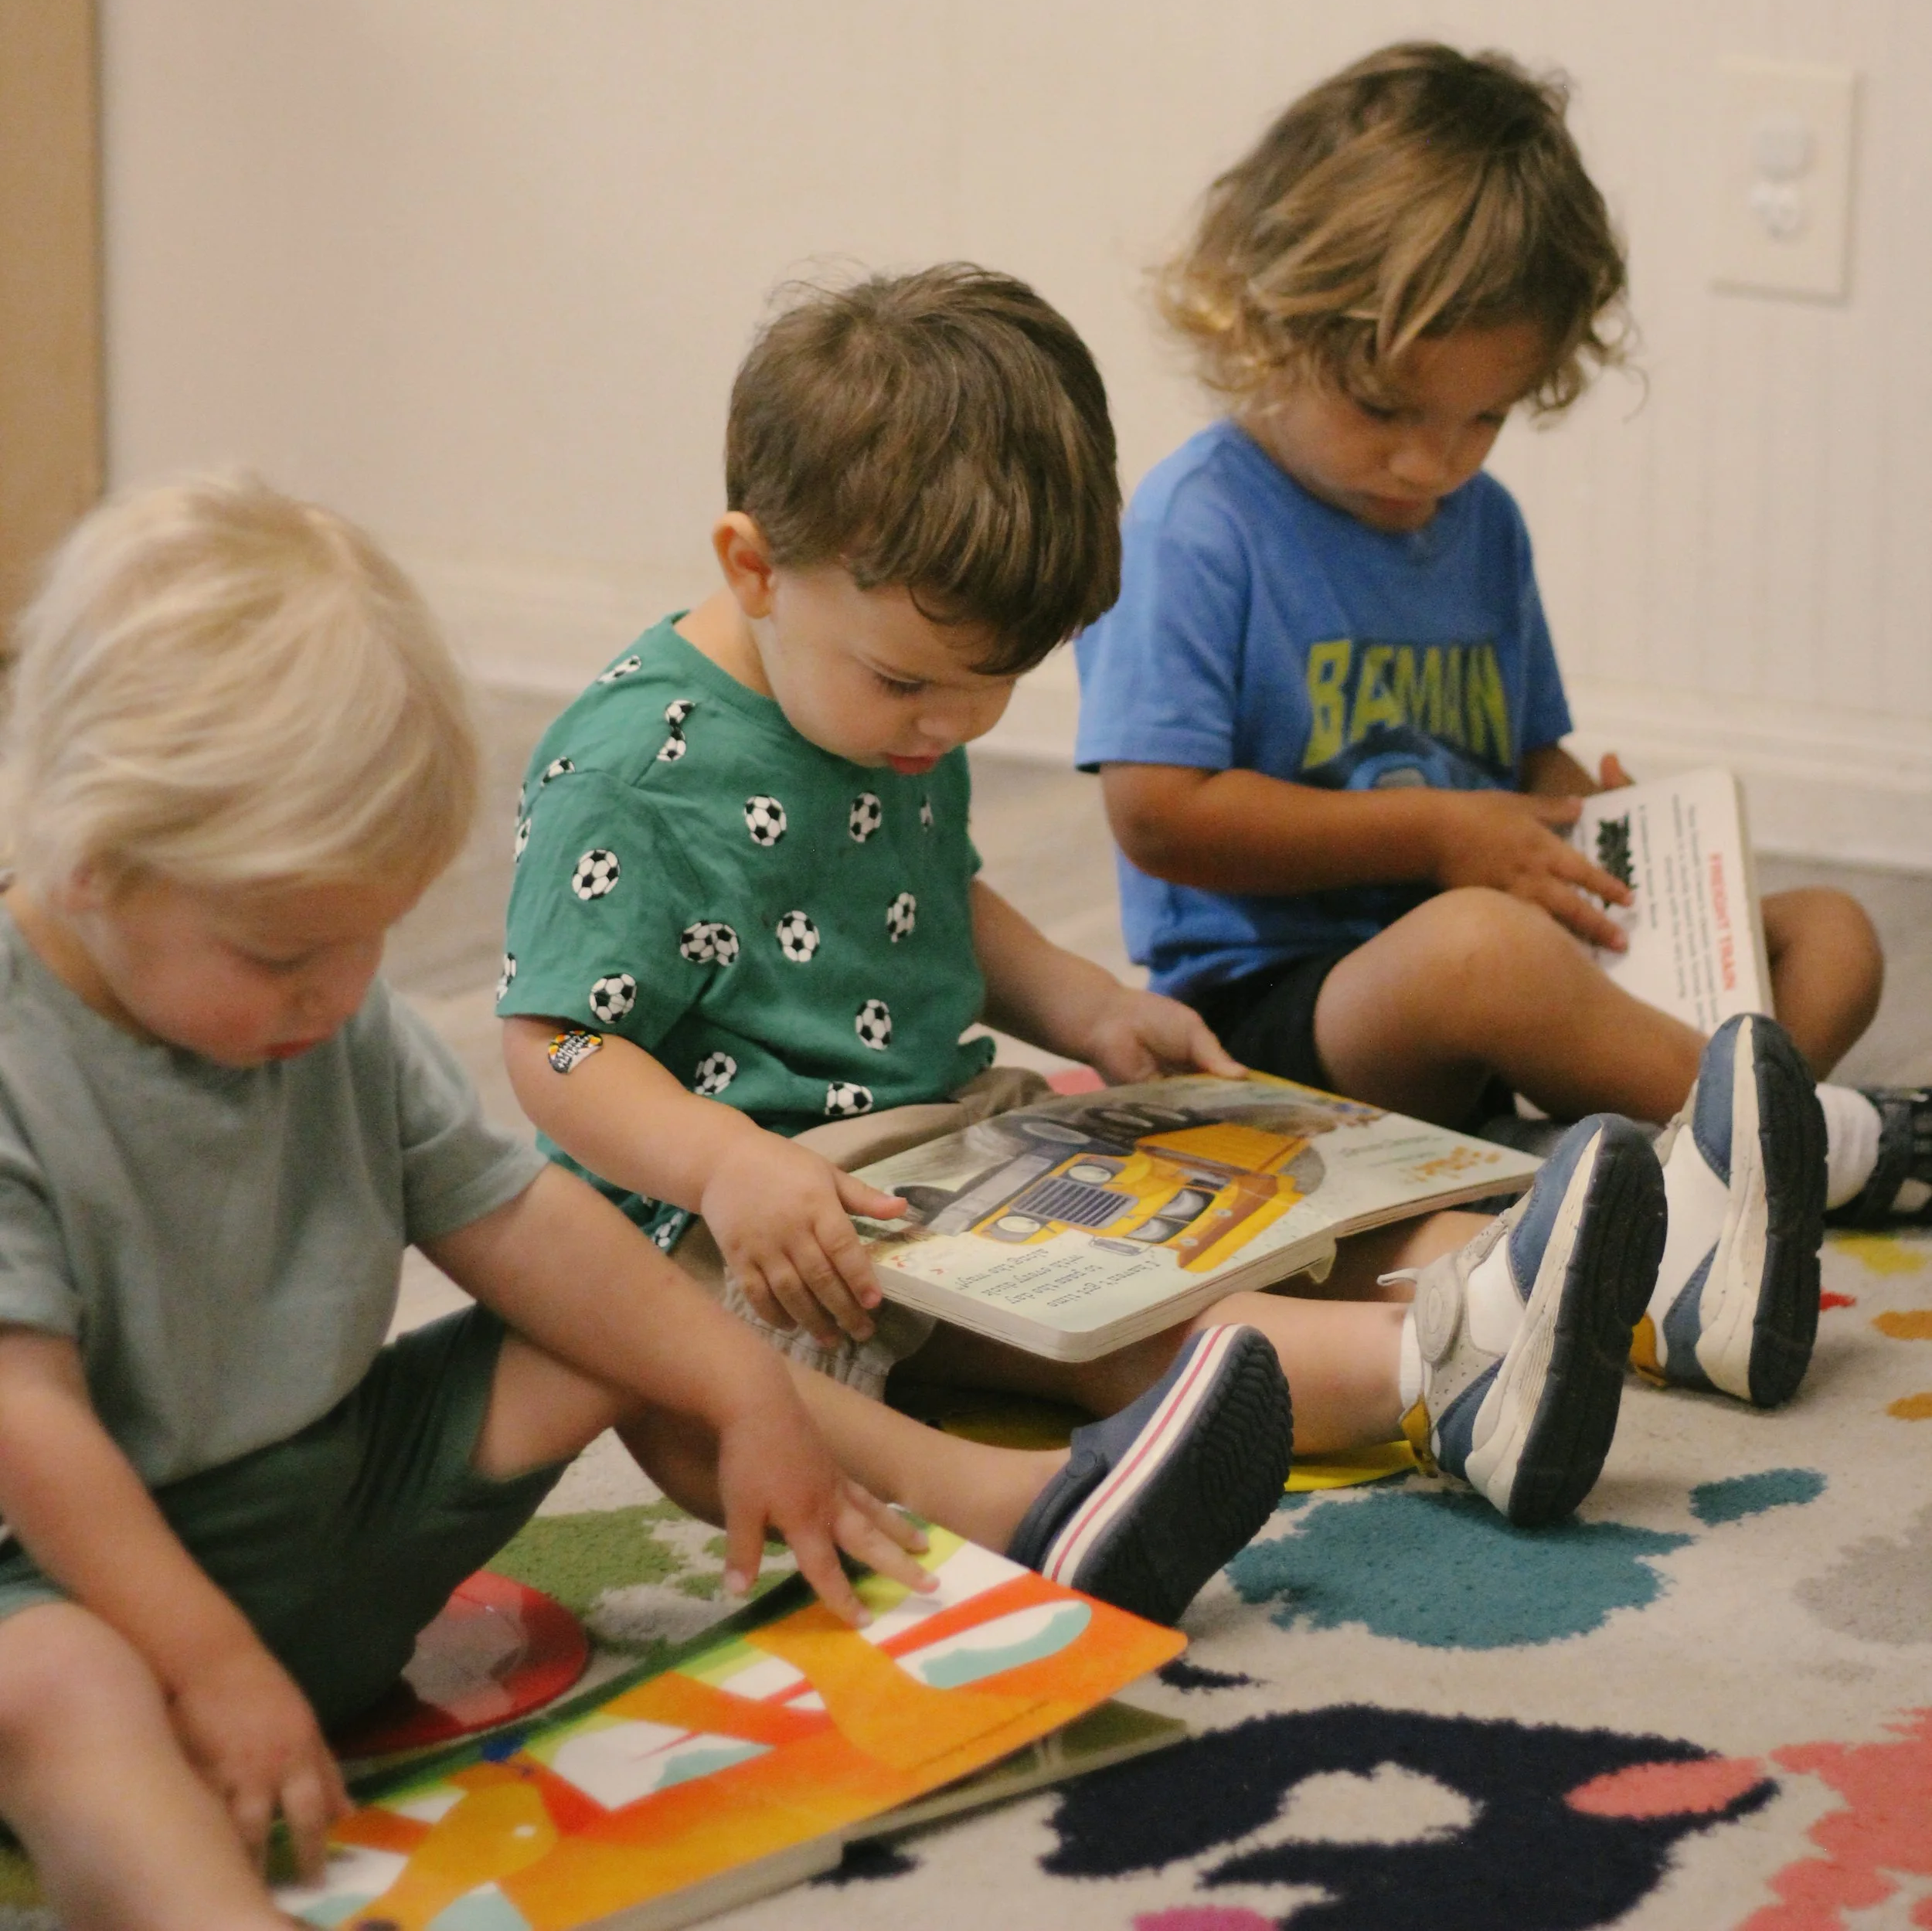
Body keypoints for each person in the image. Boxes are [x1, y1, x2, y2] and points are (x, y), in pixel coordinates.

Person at [0, 477, 1302, 1931]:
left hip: (314, 1509)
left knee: (628, 1300)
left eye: (369, 938)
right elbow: (30, 1431)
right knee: (62, 1692)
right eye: (285, 952)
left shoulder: (324, 1008)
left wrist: (744, 1388)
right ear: (91, 864)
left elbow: (520, 1230)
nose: (340, 990)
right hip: (68, 1581)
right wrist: (204, 1659)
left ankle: (1003, 1513)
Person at [502, 263, 1669, 1577]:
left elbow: (928, 891)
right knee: (1109, 1324)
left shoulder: (879, 697)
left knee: (1243, 1205)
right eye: (914, 684)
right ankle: (1439, 1371)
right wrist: (723, 1162)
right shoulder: (628, 767)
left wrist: (1086, 1003)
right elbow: (552, 1043)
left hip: (948, 1146)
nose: (950, 727)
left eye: (996, 686)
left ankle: (1554, 1275)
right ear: (754, 566)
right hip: (769, 1234)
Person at [1077, 40, 1926, 1418]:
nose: (1437, 462)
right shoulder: (1199, 523)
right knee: (1482, 945)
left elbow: (1527, 757)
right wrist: (1436, 835)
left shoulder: (1481, 528)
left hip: (1504, 965)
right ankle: (1793, 1145)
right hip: (1289, 1014)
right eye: (1388, 411)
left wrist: (1599, 820)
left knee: (1834, 930)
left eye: (1484, 418)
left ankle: (1693, 1165)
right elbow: (1157, 810)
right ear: (1268, 322)